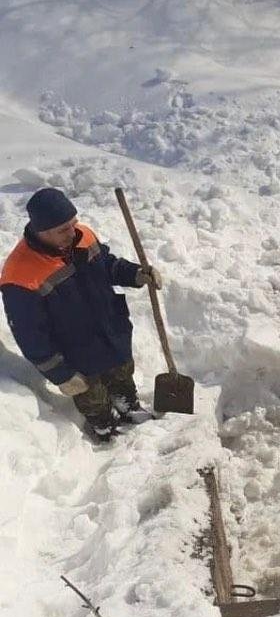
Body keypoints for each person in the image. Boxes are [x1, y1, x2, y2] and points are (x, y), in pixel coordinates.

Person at [1, 188, 162, 442]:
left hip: (110, 330)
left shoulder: (82, 235)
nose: (72, 231)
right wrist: (60, 374)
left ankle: (127, 405)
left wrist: (134, 273)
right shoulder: (19, 274)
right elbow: (30, 335)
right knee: (92, 394)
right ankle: (104, 426)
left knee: (122, 373)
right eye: (63, 229)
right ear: (42, 231)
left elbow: (107, 264)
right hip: (75, 350)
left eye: (73, 223)